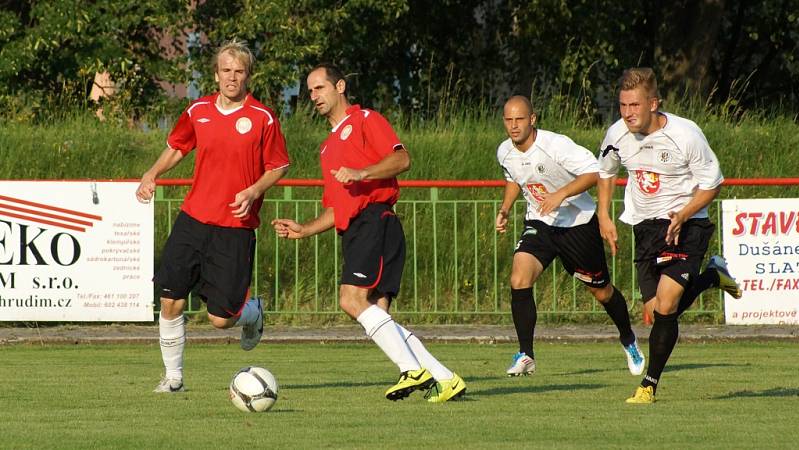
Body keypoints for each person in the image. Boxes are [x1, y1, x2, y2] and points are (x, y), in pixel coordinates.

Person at [272, 64, 465, 403]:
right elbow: (336, 207)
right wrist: (304, 229)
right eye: (310, 91)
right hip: (357, 229)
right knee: (376, 310)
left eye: (320, 88)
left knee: (351, 299)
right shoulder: (327, 148)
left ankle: (411, 369)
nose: (314, 96)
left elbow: (402, 159)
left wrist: (362, 172)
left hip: (376, 220)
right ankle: (445, 378)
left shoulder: (365, 120)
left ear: (340, 86)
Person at [136, 39, 290, 393]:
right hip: (193, 219)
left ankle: (249, 312)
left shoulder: (262, 117)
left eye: (239, 71)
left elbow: (278, 165)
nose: (232, 77)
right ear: (216, 74)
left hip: (234, 227)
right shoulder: (197, 110)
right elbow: (178, 147)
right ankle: (173, 378)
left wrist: (253, 192)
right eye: (226, 71)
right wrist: (151, 173)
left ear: (248, 75)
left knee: (220, 320)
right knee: (170, 299)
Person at [597, 67, 742, 404]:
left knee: (667, 303)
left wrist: (684, 213)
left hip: (686, 225)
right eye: (623, 105)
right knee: (656, 313)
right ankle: (711, 277)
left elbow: (712, 184)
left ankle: (648, 386)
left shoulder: (686, 135)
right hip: (646, 229)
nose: (628, 113)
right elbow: (605, 171)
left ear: (653, 103)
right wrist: (604, 214)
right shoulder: (616, 134)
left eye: (635, 105)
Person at [495, 95, 645, 378]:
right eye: (508, 120)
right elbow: (515, 178)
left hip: (577, 224)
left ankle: (628, 338)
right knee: (519, 277)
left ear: (532, 119)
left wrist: (561, 194)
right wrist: (505, 208)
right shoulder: (505, 151)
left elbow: (594, 172)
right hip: (540, 222)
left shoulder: (555, 145)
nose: (514, 126)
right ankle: (526, 354)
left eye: (519, 119)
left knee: (601, 292)